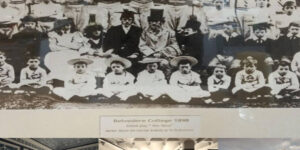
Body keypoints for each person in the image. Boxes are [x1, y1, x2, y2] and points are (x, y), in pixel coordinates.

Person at [104, 9, 143, 74]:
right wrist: (112, 53)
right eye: (124, 19)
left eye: (129, 19)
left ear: (132, 21)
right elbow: (106, 43)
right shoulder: (113, 30)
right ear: (121, 20)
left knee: (135, 69)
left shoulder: (138, 30)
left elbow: (141, 44)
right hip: (116, 55)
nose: (127, 21)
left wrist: (136, 54)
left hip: (132, 55)